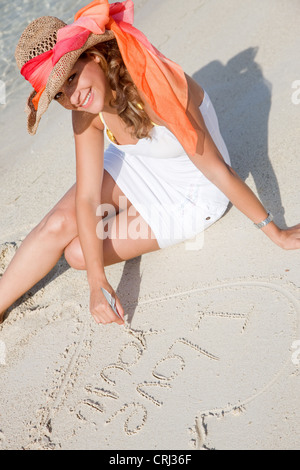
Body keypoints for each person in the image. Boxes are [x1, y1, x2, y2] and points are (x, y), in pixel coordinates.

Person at [0, 0, 299, 326]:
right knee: (58, 225)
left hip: (193, 192)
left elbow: (216, 170)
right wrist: (96, 282)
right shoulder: (85, 110)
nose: (72, 97)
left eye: (71, 78)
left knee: (77, 254)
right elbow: (86, 197)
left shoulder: (153, 86)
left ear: (95, 56)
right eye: (59, 94)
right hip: (140, 162)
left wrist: (276, 233)